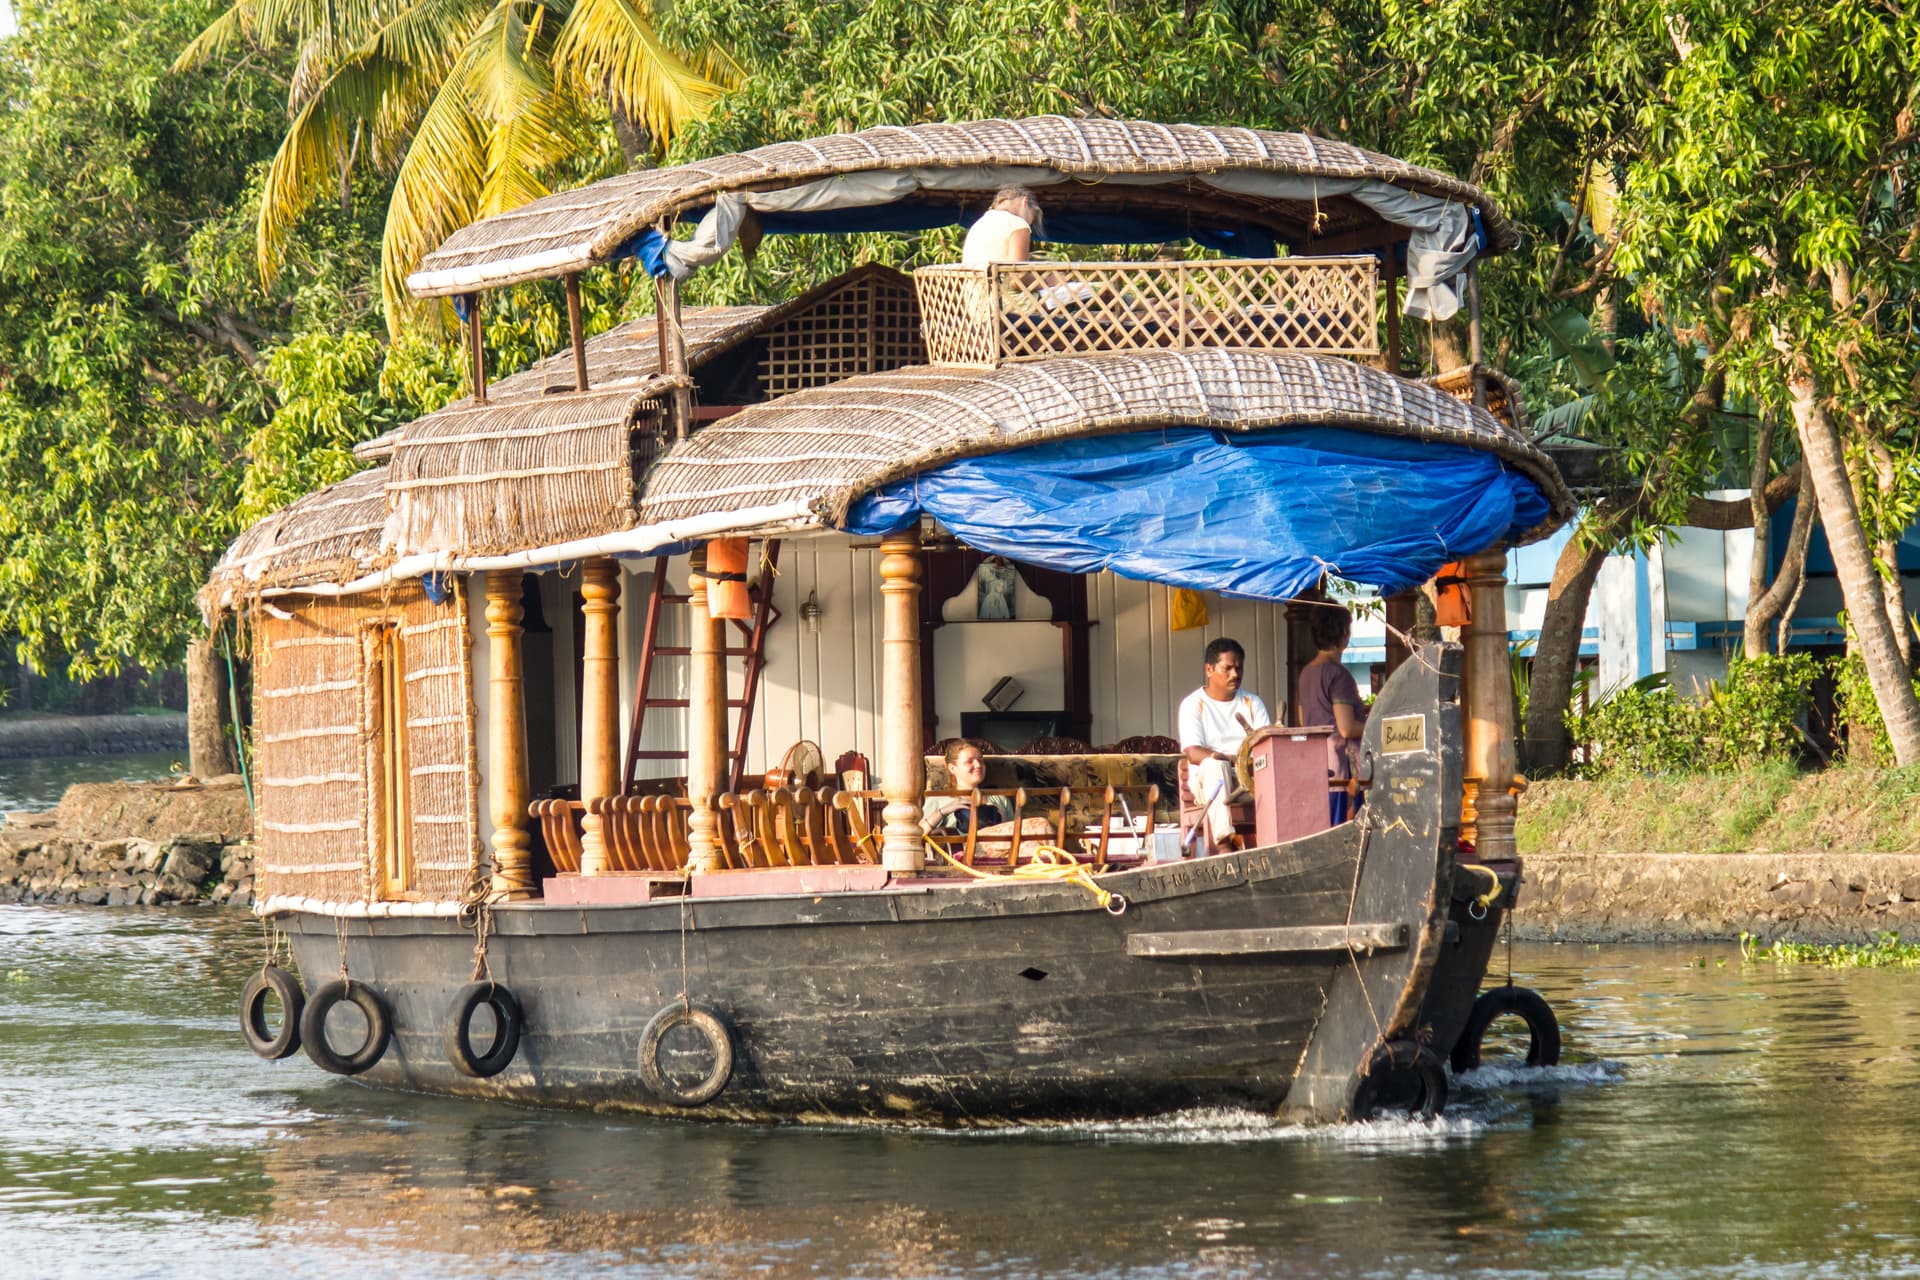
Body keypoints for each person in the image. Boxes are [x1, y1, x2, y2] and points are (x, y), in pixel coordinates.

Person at [1178, 637, 1272, 854]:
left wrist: (1244, 765)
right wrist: (1232, 760)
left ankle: (1281, 843)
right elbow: (1193, 753)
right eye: (1227, 668)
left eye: (1239, 668)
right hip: (1209, 783)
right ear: (1209, 669)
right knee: (1214, 766)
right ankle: (1224, 845)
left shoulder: (1252, 702)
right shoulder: (1192, 704)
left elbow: (1268, 744)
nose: (1235, 675)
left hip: (1250, 781)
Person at [1298, 605, 1367, 823]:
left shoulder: (1306, 673)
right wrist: (1378, 728)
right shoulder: (1338, 675)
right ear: (1344, 633)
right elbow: (1346, 728)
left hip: (1314, 766)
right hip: (1341, 771)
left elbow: (1303, 721)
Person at [922, 740, 1013, 837]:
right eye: (969, 761)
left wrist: (1003, 822)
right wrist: (943, 812)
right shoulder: (938, 800)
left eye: (981, 760)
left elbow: (1016, 835)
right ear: (952, 768)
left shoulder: (1001, 800)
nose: (978, 765)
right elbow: (914, 835)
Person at [961, 187, 1041, 266]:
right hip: (997, 278)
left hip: (974, 278)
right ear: (1024, 202)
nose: (1028, 223)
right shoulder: (1017, 223)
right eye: (1031, 217)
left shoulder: (980, 223)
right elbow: (1018, 271)